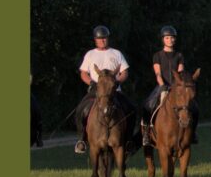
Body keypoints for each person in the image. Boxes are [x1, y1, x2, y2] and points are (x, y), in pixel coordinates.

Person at [74, 25, 135, 154]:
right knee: (81, 109)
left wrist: (117, 81)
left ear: (108, 38)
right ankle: (81, 140)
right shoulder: (90, 54)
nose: (102, 40)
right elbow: (83, 73)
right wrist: (91, 83)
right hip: (96, 91)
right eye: (100, 38)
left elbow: (124, 72)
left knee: (131, 109)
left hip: (114, 91)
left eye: (105, 38)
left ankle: (129, 141)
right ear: (95, 40)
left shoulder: (116, 53)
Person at [141, 25, 199, 147]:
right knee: (148, 105)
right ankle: (146, 133)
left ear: (175, 39)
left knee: (194, 107)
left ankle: (193, 132)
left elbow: (180, 73)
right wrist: (162, 85)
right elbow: (158, 73)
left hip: (177, 87)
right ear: (163, 39)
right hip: (162, 85)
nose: (170, 40)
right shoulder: (157, 55)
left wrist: (178, 86)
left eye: (172, 38)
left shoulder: (179, 55)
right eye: (167, 38)